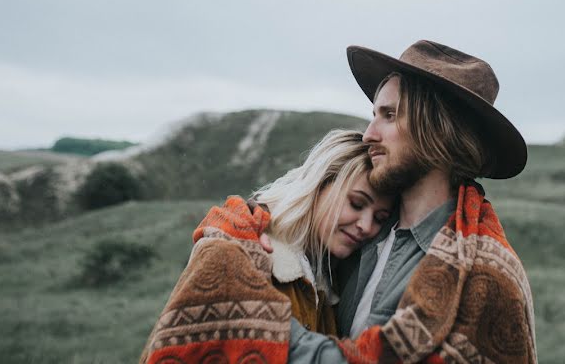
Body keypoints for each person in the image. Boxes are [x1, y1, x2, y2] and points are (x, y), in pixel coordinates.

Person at [144, 40, 536, 364]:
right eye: (373, 115)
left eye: (388, 115)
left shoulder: (484, 274)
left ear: (436, 129)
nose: (369, 134)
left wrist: (248, 308)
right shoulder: (361, 248)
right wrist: (239, 239)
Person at [140, 130, 393, 364]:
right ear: (318, 186)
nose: (366, 226)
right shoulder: (242, 253)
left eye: (380, 218)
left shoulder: (330, 283)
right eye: (357, 204)